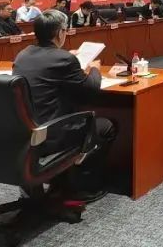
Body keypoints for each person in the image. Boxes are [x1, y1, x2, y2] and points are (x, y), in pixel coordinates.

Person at [13, 12, 116, 200]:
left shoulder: (23, 54)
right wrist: (95, 68)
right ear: (60, 33)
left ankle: (58, 180)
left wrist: (67, 55)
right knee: (106, 126)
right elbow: (91, 89)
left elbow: (48, 65)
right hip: (52, 134)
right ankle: (81, 186)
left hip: (24, 133)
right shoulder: (64, 59)